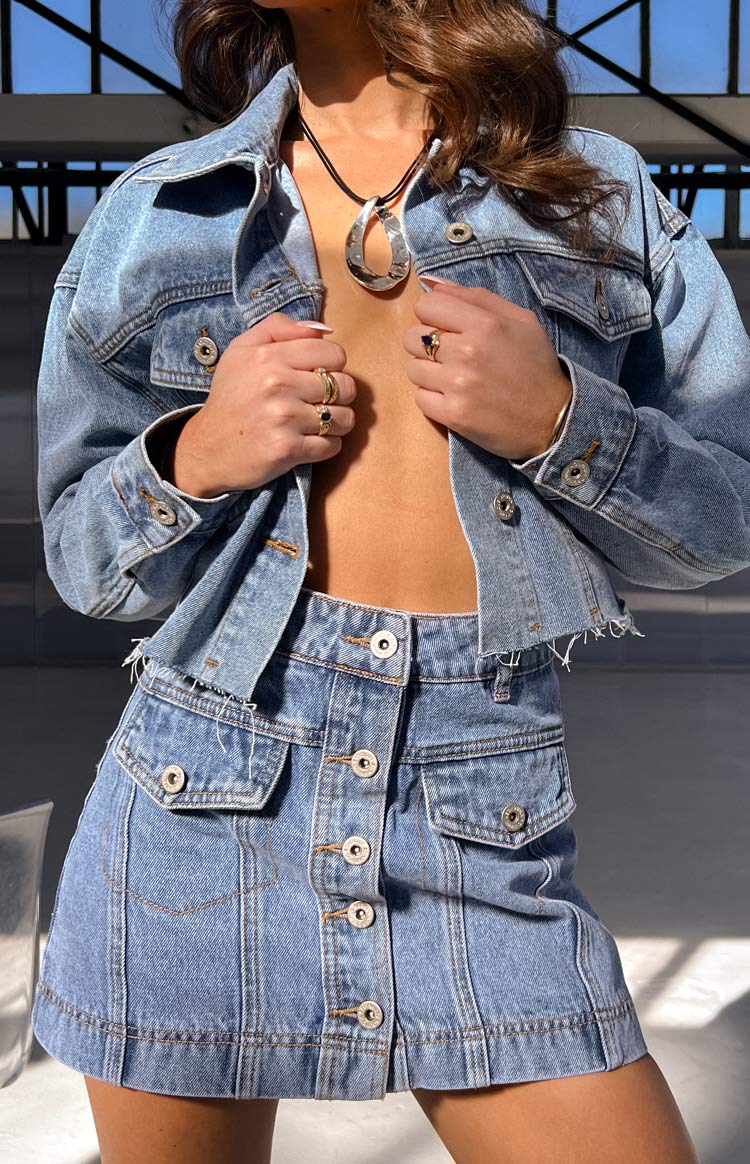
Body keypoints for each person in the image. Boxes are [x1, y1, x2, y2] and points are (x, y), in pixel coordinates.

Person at [33, 0, 750, 1159]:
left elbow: (728, 523)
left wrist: (562, 422)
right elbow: (84, 562)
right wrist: (196, 455)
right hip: (197, 795)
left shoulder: (596, 194)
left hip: (483, 805)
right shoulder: (157, 212)